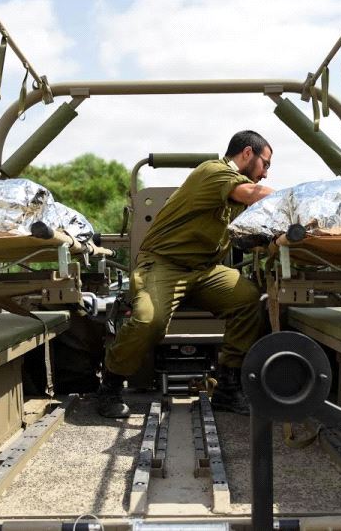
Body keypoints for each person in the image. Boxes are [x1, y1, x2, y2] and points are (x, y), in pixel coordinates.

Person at [97, 130, 276, 418]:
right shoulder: (213, 171)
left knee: (249, 300)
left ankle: (229, 389)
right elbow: (255, 195)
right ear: (247, 154)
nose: (265, 173)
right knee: (147, 320)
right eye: (265, 164)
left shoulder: (234, 193)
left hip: (204, 271)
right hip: (164, 265)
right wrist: (297, 201)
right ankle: (111, 385)